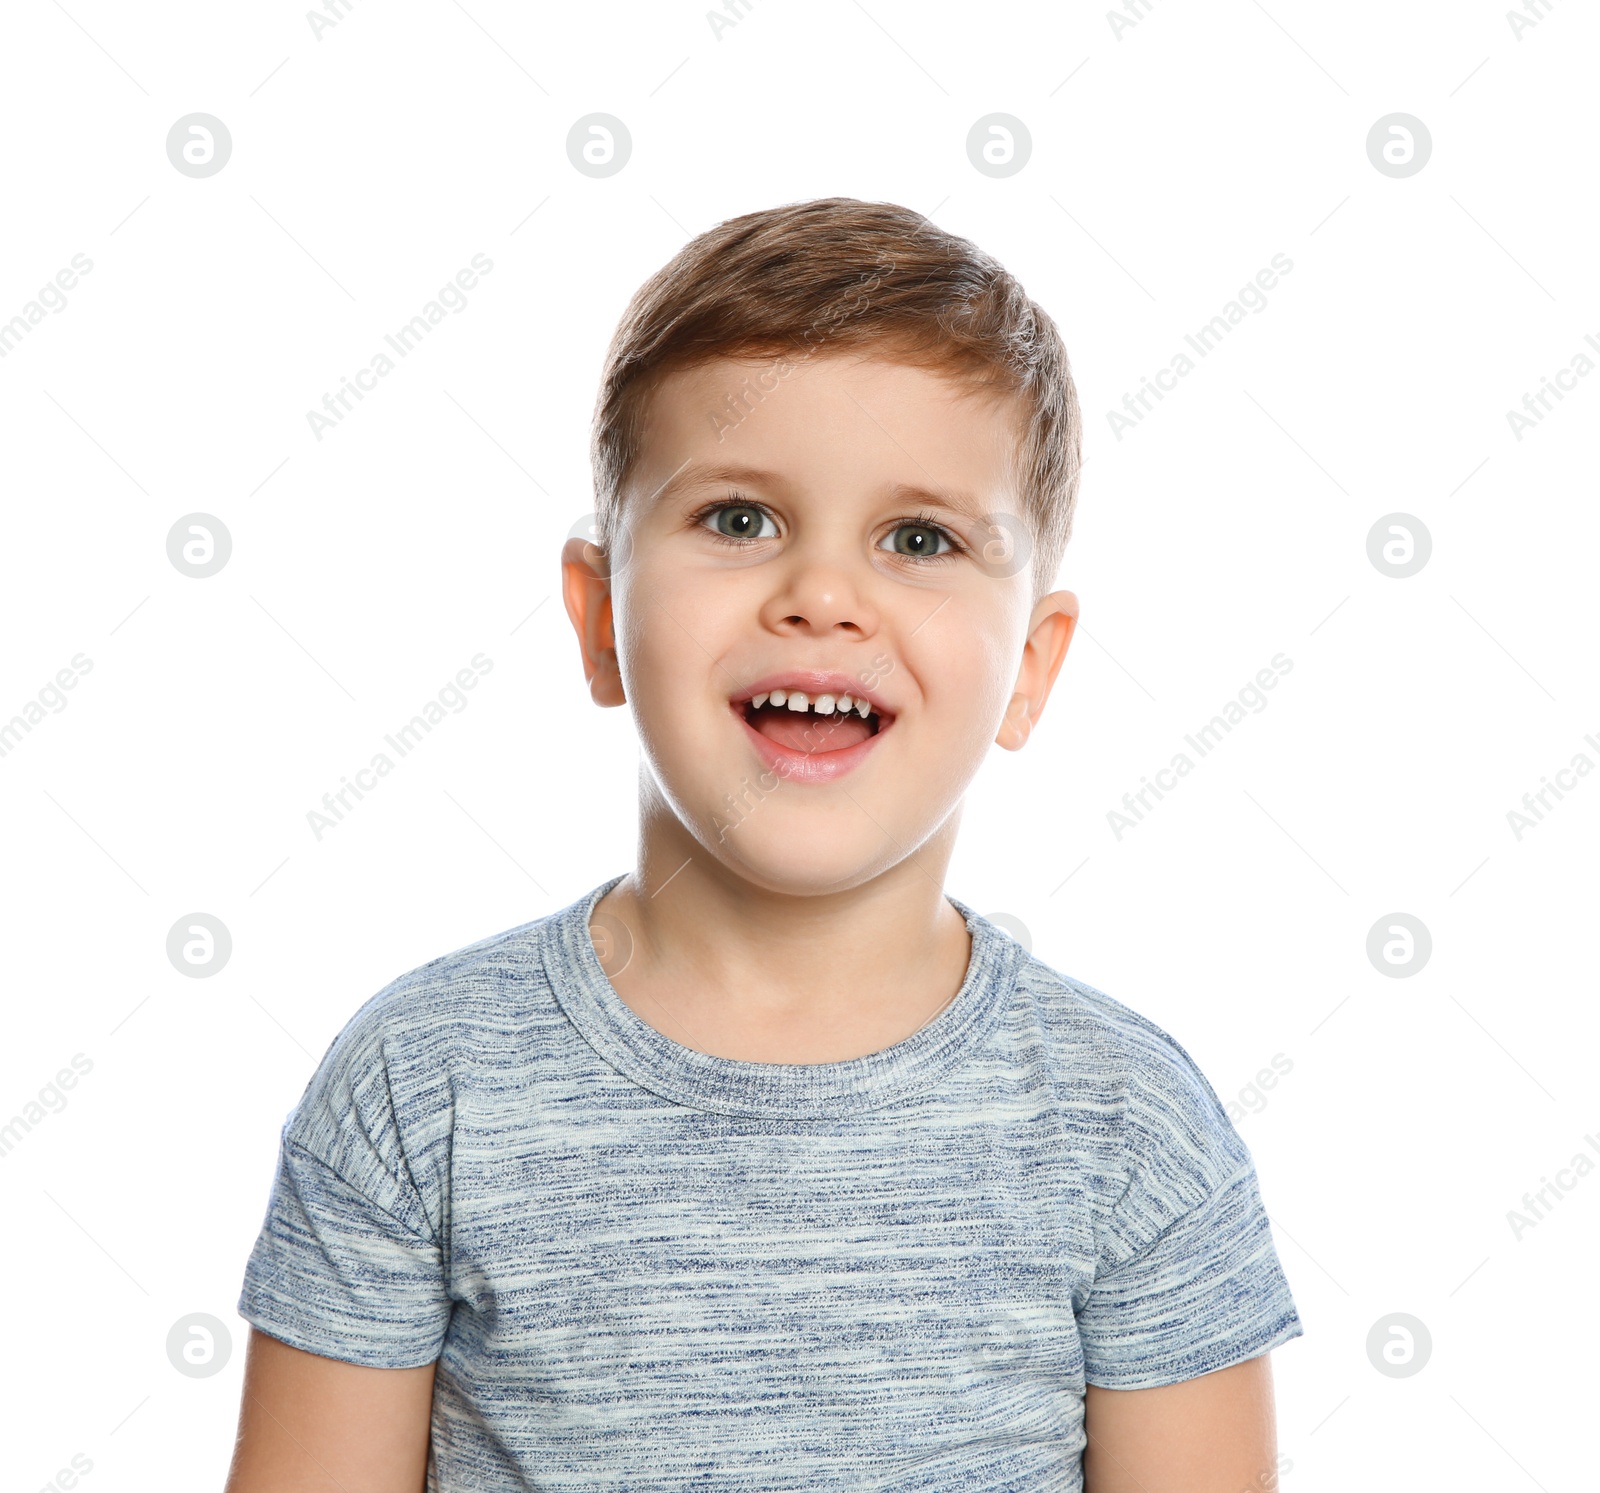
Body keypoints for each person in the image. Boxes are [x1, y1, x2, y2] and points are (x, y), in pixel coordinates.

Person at [225, 197, 1303, 1492]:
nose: (823, 596)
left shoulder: (1128, 1128)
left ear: (1030, 665)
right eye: (740, 518)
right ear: (600, 617)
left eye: (920, 538)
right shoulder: (420, 1089)